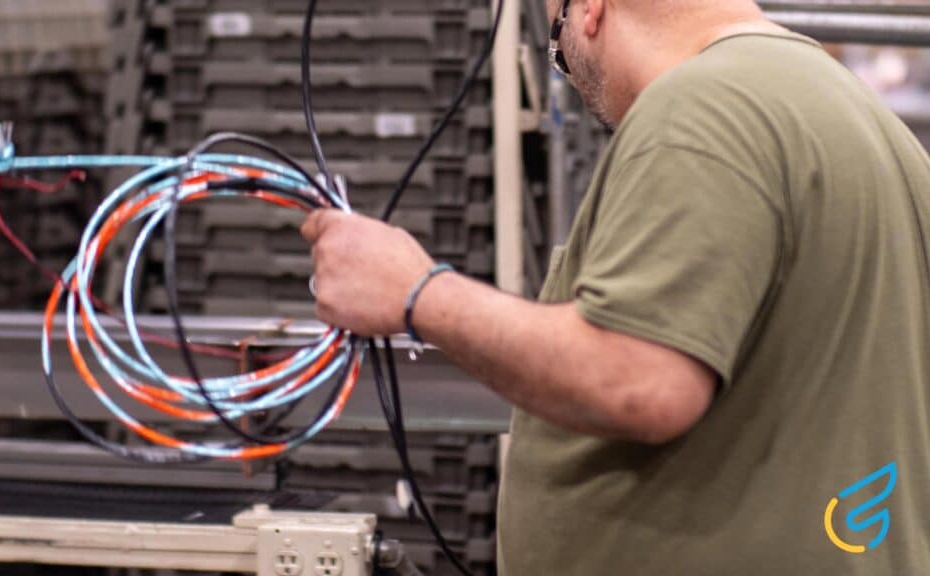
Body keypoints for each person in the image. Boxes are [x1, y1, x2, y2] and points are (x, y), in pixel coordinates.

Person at [301, 0, 930, 573]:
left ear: (592, 8)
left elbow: (642, 380)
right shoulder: (869, 123)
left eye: (558, 47)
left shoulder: (705, 107)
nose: (572, 82)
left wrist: (416, 292)